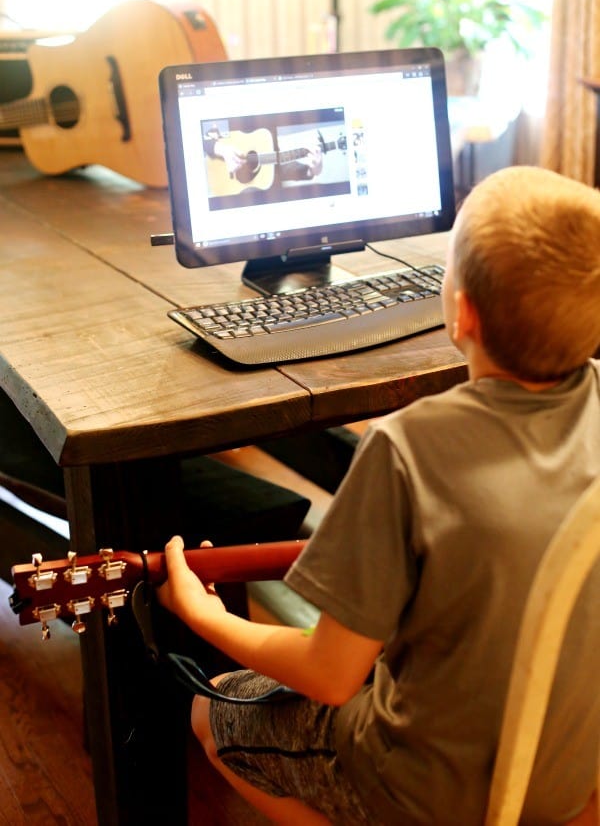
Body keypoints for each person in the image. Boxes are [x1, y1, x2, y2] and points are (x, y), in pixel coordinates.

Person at [157, 165, 600, 825]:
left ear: (462, 310)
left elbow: (331, 677)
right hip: (568, 774)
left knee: (210, 711)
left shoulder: (406, 449)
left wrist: (205, 617)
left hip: (423, 788)